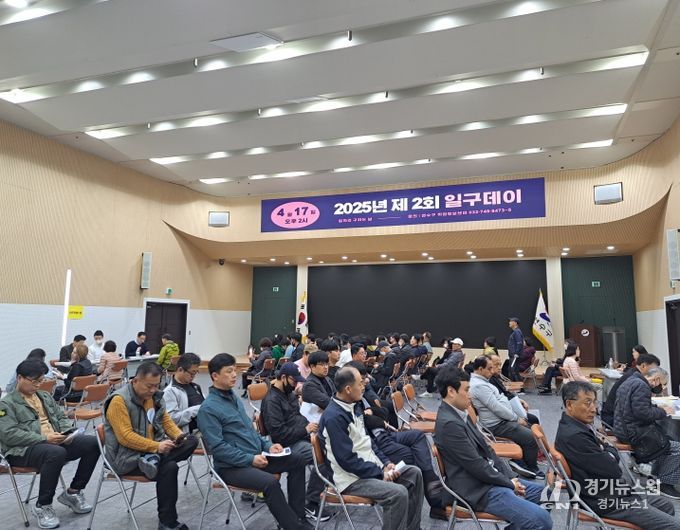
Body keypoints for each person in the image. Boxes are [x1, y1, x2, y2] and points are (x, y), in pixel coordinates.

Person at [197, 353, 313, 530]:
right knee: (269, 482)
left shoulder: (233, 398)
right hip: (231, 467)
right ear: (214, 376)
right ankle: (292, 527)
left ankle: (298, 517)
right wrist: (250, 459)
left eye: (234, 370)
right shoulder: (208, 409)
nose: (234, 375)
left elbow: (250, 432)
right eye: (229, 371)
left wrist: (268, 446)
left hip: (255, 456)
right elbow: (218, 448)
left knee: (297, 459)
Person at [433, 365, 552, 530]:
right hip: (476, 490)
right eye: (466, 390)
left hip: (487, 480)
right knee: (542, 521)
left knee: (548, 495)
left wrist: (510, 477)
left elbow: (487, 450)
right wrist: (509, 483)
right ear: (451, 391)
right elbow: (476, 465)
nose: (470, 395)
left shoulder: (459, 413)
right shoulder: (449, 424)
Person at [556, 381, 680, 529]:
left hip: (610, 491)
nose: (594, 409)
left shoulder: (574, 425)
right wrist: (608, 450)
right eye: (587, 403)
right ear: (569, 404)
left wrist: (607, 449)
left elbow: (609, 450)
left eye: (594, 402)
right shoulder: (575, 436)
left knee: (666, 505)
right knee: (674, 525)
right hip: (605, 501)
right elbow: (614, 470)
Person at [318, 366, 424, 530]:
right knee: (398, 493)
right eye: (360, 383)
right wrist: (380, 473)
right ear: (348, 389)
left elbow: (369, 442)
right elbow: (347, 461)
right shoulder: (334, 417)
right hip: (350, 479)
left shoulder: (354, 405)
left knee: (414, 473)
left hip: (367, 469)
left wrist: (386, 463)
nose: (364, 386)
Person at [0, 359, 99, 529]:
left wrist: (67, 432)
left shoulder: (44, 396)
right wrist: (44, 438)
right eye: (34, 381)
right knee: (55, 453)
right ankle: (43, 505)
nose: (38, 385)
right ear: (19, 378)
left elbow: (60, 417)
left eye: (41, 381)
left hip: (52, 443)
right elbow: (10, 435)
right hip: (21, 451)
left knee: (92, 443)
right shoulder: (6, 404)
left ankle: (73, 492)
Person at [104, 361, 197, 530]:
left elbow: (165, 421)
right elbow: (125, 437)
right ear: (135, 381)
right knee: (169, 468)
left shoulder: (153, 397)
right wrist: (156, 447)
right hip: (125, 458)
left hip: (149, 452)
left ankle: (166, 522)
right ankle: (168, 522)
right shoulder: (119, 401)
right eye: (149, 386)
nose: (153, 390)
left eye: (157, 385)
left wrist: (178, 436)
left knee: (191, 441)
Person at [260, 362, 332, 523]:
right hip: (285, 445)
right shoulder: (272, 401)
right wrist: (305, 430)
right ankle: (312, 501)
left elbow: (298, 418)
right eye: (294, 381)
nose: (296, 385)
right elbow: (279, 435)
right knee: (322, 454)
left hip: (299, 437)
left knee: (330, 444)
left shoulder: (289, 394)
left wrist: (310, 428)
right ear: (283, 377)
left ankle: (319, 493)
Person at [469, 356, 543, 479]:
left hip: (501, 421)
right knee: (531, 436)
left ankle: (521, 461)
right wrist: (516, 418)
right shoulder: (479, 386)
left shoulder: (482, 382)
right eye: (489, 368)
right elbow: (496, 407)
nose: (492, 371)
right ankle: (530, 467)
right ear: (480, 369)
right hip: (496, 425)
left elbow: (499, 401)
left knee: (530, 428)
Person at [613, 366, 680, 499]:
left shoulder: (631, 380)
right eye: (663, 384)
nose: (662, 387)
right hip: (633, 433)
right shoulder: (642, 386)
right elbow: (643, 413)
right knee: (675, 447)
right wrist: (663, 411)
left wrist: (656, 407)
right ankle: (664, 484)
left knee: (666, 439)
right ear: (656, 379)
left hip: (623, 429)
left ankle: (655, 475)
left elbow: (637, 407)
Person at [601, 353, 660, 426]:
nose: (655, 372)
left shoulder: (633, 374)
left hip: (612, 415)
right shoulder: (636, 380)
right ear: (643, 366)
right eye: (653, 369)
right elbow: (641, 411)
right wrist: (662, 411)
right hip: (614, 419)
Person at [486, 352, 539, 425]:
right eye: (496, 365)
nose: (500, 368)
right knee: (533, 420)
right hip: (505, 415)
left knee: (533, 419)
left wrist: (519, 401)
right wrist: (517, 417)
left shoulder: (495, 378)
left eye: (500, 365)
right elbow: (500, 404)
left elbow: (505, 394)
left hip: (511, 408)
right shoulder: (490, 381)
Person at [162, 352, 204, 434]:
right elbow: (171, 421)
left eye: (196, 373)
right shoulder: (170, 391)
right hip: (189, 435)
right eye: (192, 373)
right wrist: (197, 409)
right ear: (180, 370)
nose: (193, 376)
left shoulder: (195, 387)